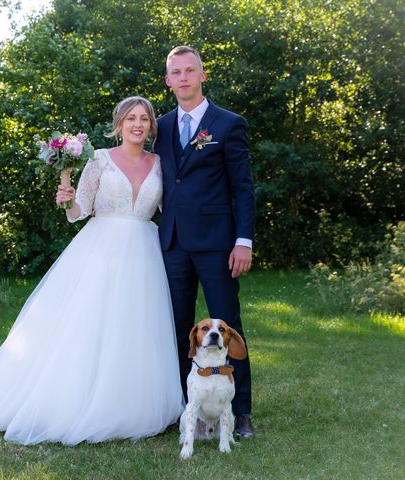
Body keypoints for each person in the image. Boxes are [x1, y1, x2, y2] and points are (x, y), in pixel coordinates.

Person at [0, 96, 184, 445]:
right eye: (130, 118)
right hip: (101, 249)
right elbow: (79, 212)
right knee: (90, 326)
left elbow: (171, 210)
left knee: (136, 328)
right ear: (119, 124)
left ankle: (130, 404)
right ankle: (76, 400)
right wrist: (68, 199)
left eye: (144, 119)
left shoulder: (160, 164)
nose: (137, 124)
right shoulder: (99, 161)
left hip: (145, 252)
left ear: (152, 126)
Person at [154, 46, 257, 438]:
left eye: (189, 71)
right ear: (168, 80)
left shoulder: (228, 124)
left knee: (228, 328)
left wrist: (243, 240)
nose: (183, 78)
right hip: (173, 243)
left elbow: (243, 187)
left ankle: (242, 411)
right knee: (178, 328)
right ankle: (184, 412)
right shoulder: (160, 126)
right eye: (175, 72)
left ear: (202, 75)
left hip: (218, 244)